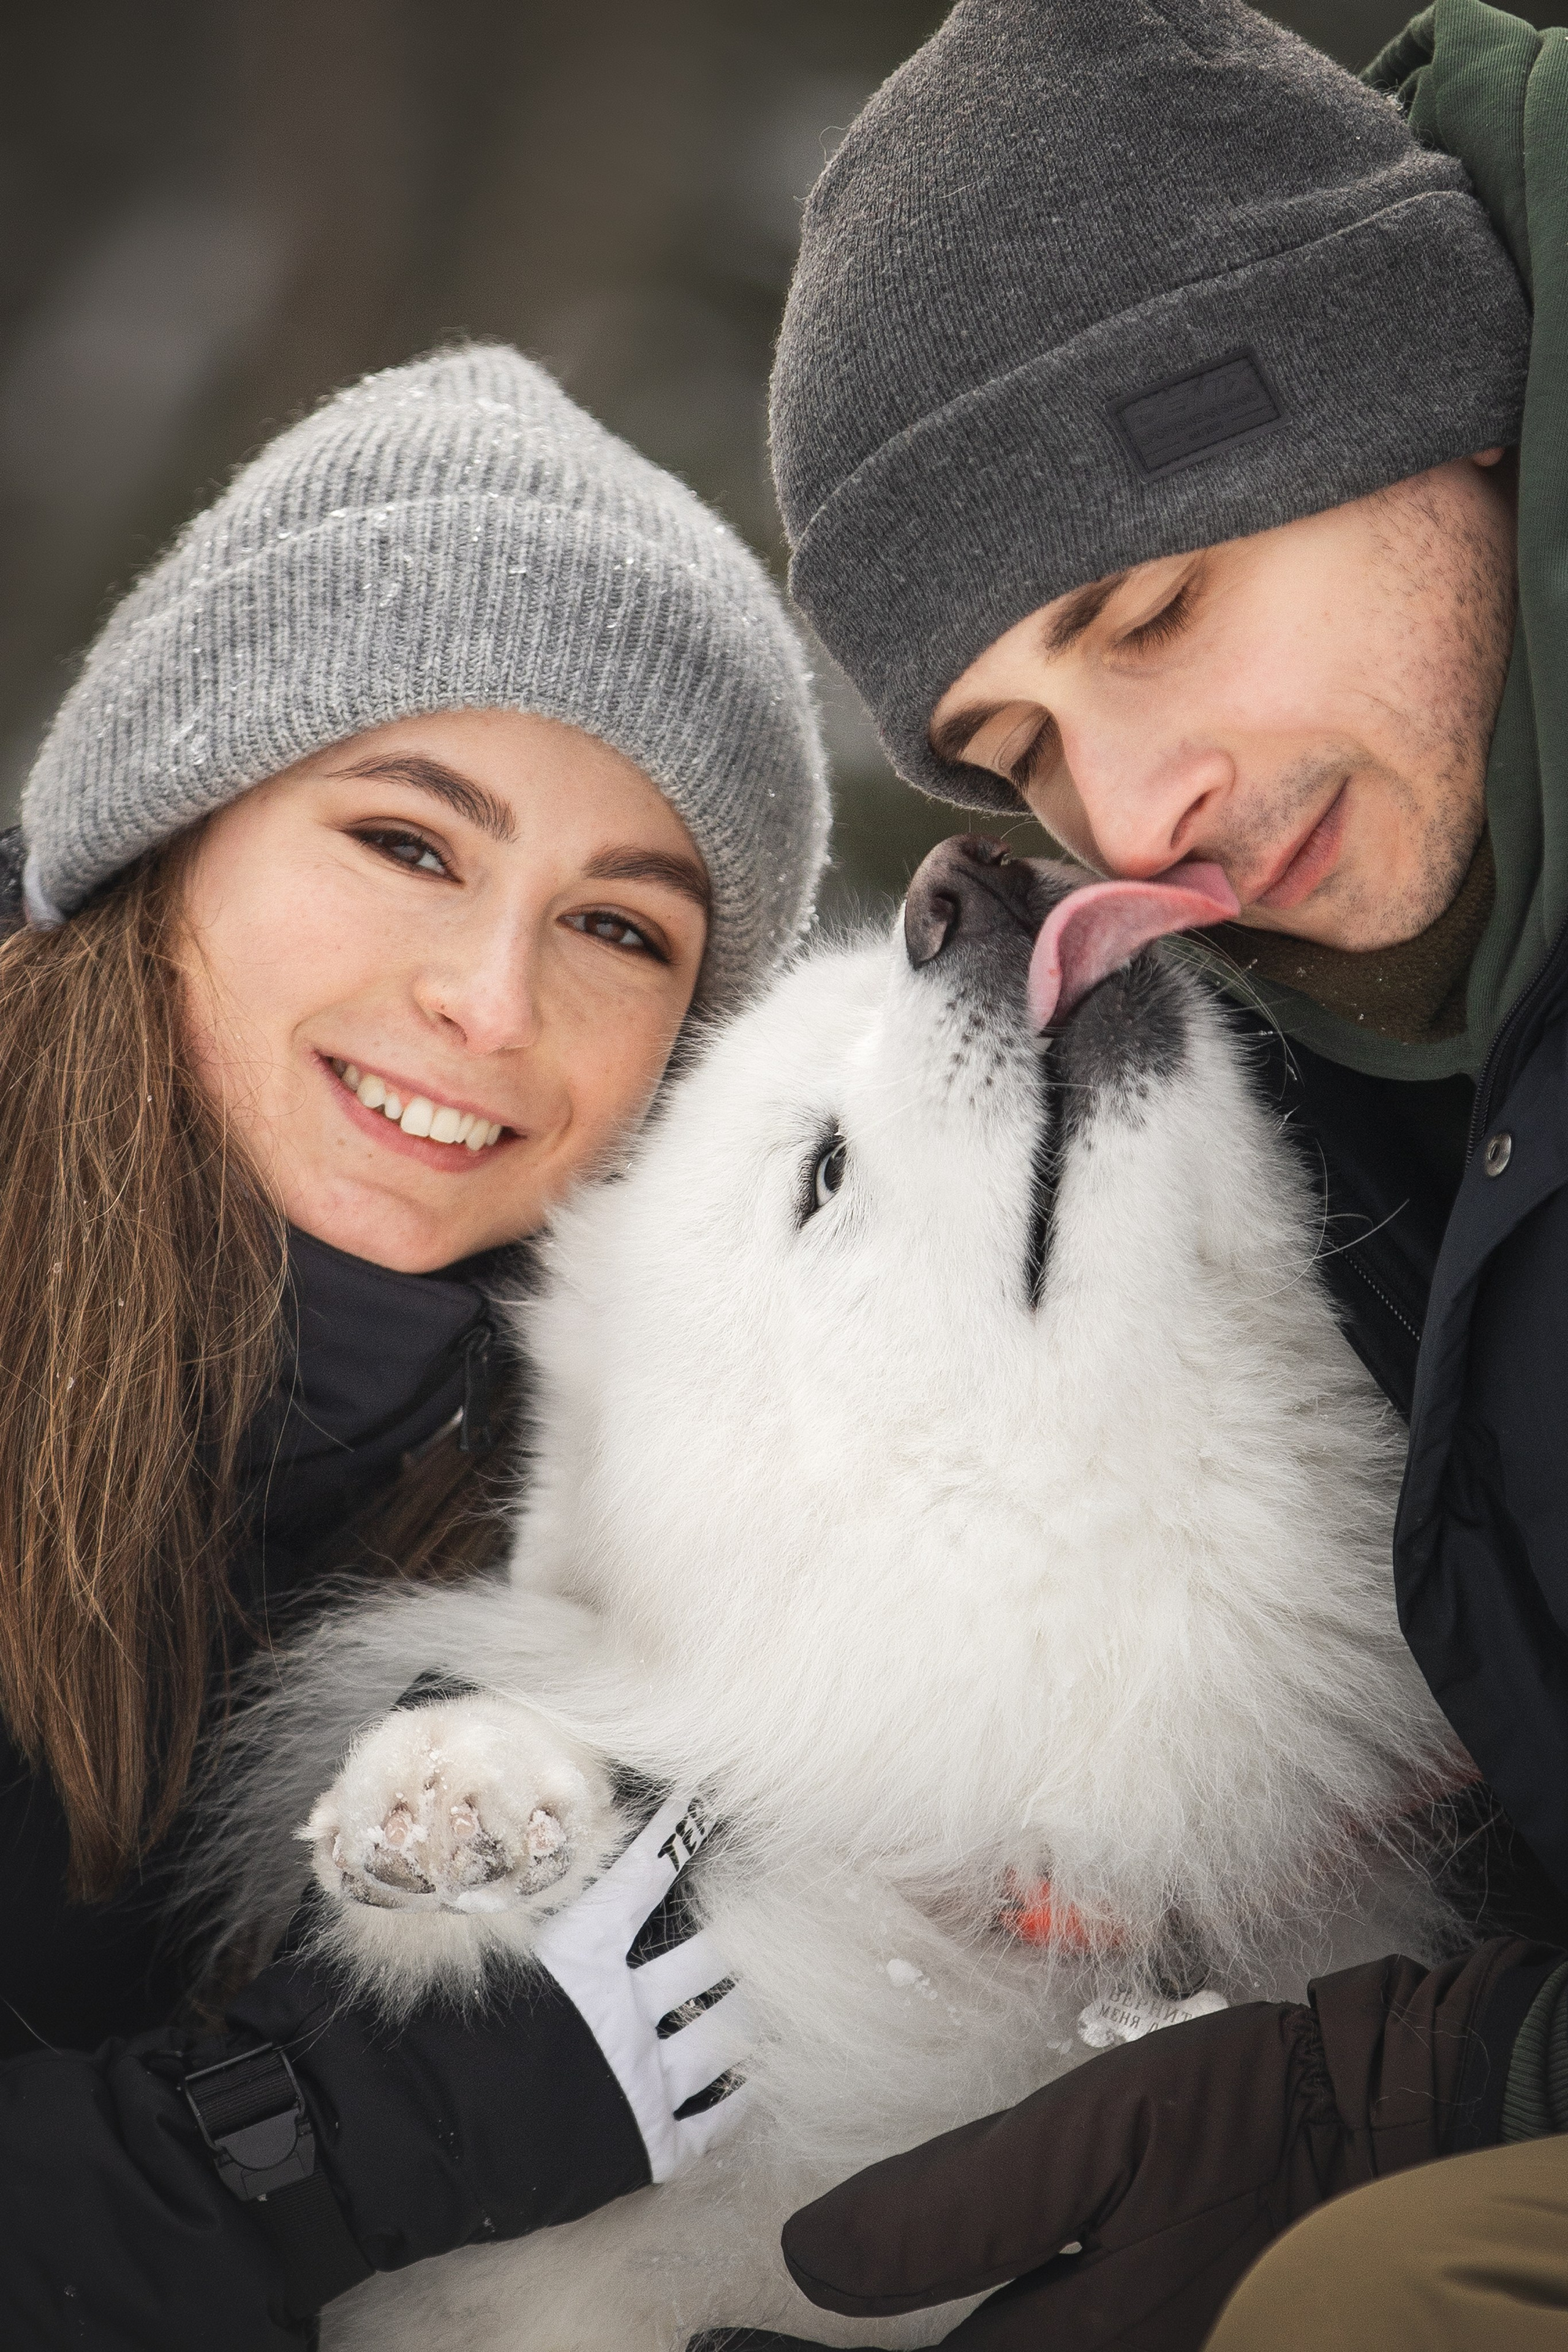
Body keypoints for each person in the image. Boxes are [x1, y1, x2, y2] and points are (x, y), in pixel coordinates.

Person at [709, 1, 1568, 2346]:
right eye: (1021, 745)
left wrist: (1429, 2087)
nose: (1136, 812)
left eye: (1154, 615)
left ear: (1435, 392)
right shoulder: (1359, 1028)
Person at [0, 341, 827, 2349]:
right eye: (410, 843)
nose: (488, 1002)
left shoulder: (642, 1498)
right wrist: (345, 2132)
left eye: (620, 929)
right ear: (174, 833)